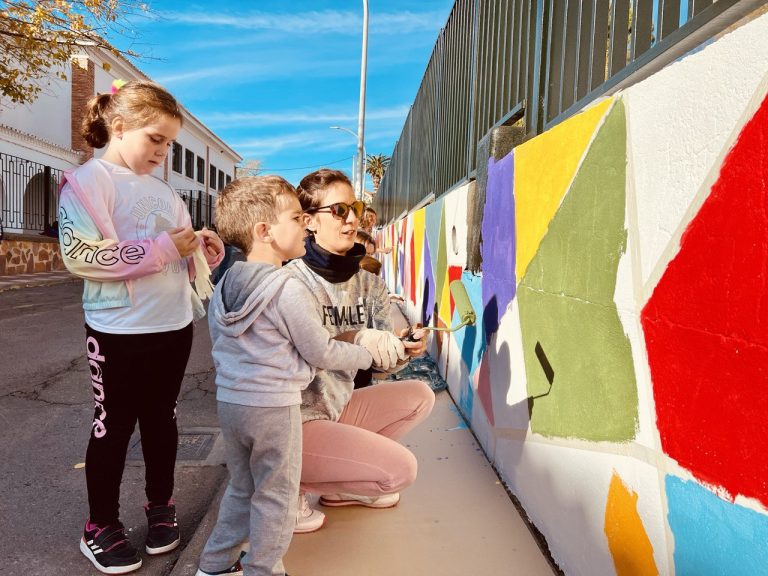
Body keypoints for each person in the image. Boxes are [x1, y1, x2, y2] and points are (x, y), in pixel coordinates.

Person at [196, 175, 403, 576]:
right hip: (275, 408)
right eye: (295, 218)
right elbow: (321, 350)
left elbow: (221, 344)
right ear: (265, 231)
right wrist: (367, 352)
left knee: (242, 488)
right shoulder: (286, 288)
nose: (304, 225)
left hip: (232, 405)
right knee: (277, 495)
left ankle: (215, 565)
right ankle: (264, 569)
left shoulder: (224, 286)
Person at [58, 79, 224, 575]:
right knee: (113, 427)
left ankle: (160, 506)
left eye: (170, 142)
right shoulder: (87, 182)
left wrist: (200, 249)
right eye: (156, 138)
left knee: (162, 421)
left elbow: (178, 248)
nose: (164, 150)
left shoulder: (163, 189)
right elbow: (80, 255)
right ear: (120, 125)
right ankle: (100, 526)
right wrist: (163, 250)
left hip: (172, 326)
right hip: (116, 330)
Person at [287, 169, 435, 533]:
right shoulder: (290, 281)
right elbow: (297, 355)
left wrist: (404, 347)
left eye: (354, 206)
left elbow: (380, 362)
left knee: (420, 395)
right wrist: (357, 338)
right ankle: (288, 489)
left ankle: (340, 488)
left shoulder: (369, 283)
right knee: (401, 470)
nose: (353, 217)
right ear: (309, 221)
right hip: (292, 422)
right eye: (338, 210)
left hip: (337, 406)